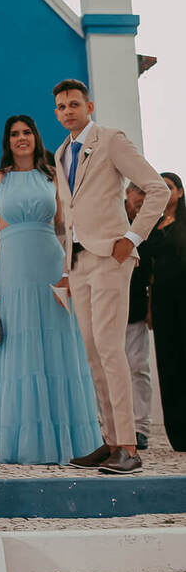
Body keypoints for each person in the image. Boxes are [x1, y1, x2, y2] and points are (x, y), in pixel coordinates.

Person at [53, 79, 168, 474]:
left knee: (110, 348)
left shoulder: (110, 139)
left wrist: (132, 237)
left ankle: (130, 448)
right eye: (61, 107)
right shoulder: (61, 152)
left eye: (73, 104)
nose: (68, 111)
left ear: (89, 105)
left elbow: (157, 189)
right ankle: (111, 441)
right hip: (80, 261)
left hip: (111, 257)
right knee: (91, 352)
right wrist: (66, 266)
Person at [0, 115, 102, 464]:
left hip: (51, 262)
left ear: (36, 137)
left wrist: (70, 269)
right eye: (15, 134)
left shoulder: (54, 174)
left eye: (27, 132)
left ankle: (72, 440)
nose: (22, 138)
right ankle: (29, 443)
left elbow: (66, 227)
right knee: (20, 345)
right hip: (13, 267)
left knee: (60, 343)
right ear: (8, 140)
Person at [147, 172, 186, 451]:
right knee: (169, 362)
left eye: (169, 186)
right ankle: (179, 433)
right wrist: (149, 308)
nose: (164, 190)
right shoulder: (153, 225)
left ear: (180, 192)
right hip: (161, 300)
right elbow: (149, 272)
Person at [125, 183, 153, 450]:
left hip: (135, 307)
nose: (143, 199)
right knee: (103, 366)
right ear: (127, 194)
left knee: (137, 366)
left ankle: (140, 427)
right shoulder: (113, 218)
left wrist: (149, 308)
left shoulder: (150, 225)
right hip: (108, 302)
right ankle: (108, 426)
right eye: (140, 193)